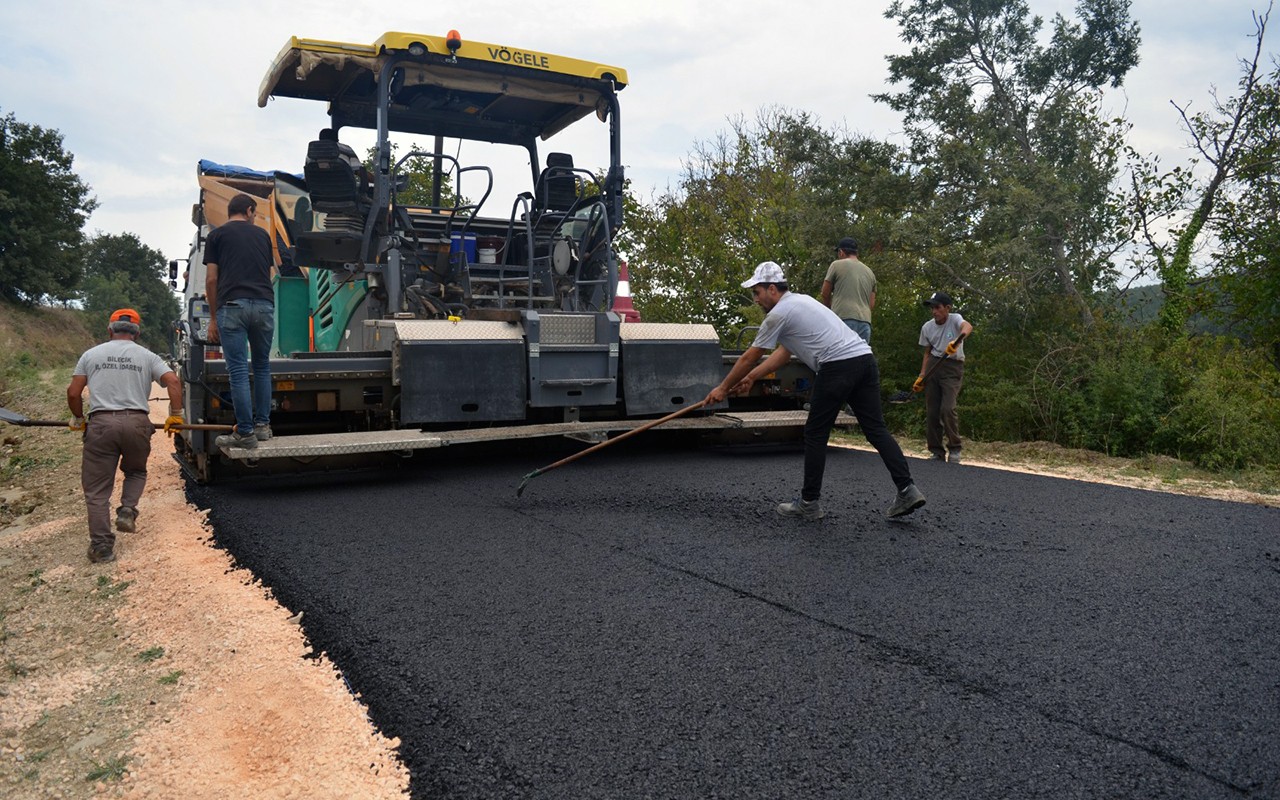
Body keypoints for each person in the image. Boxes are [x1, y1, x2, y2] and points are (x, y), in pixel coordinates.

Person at [704, 262, 926, 520]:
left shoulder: (778, 313)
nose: (755, 299)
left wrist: (723, 388)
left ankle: (809, 503)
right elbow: (783, 354)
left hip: (836, 366)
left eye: (757, 292)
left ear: (772, 289)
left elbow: (749, 356)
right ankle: (907, 489)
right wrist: (752, 378)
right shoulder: (802, 302)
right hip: (864, 361)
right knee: (875, 429)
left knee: (815, 433)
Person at [66, 309, 184, 564]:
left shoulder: (91, 355)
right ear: (137, 333)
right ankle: (128, 509)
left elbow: (74, 392)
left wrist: (78, 418)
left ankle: (102, 548)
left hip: (101, 425)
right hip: (137, 424)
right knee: (136, 471)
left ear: (109, 330)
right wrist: (176, 414)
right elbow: (173, 382)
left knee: (97, 492)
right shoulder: (147, 356)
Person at [205, 193, 275, 449]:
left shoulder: (217, 236)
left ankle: (245, 433)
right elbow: (266, 274)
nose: (254, 218)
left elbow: (211, 279)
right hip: (264, 305)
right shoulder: (263, 236)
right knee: (262, 366)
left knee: (238, 371)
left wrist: (213, 317)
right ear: (248, 210)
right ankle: (262, 426)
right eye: (254, 214)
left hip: (232, 306)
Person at [915, 291, 974, 464]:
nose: (934, 311)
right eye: (932, 308)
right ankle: (936, 451)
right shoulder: (927, 327)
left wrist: (956, 342)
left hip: (952, 367)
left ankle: (955, 448)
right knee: (932, 410)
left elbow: (968, 327)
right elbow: (927, 353)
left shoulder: (955, 319)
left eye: (938, 307)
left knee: (947, 408)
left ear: (947, 308)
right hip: (934, 365)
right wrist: (921, 376)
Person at [821, 237, 876, 344]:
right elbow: (871, 304)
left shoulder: (836, 265)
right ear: (857, 253)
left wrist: (830, 313)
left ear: (841, 252)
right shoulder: (870, 273)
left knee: (840, 358)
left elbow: (825, 293)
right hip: (865, 322)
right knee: (860, 358)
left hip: (843, 319)